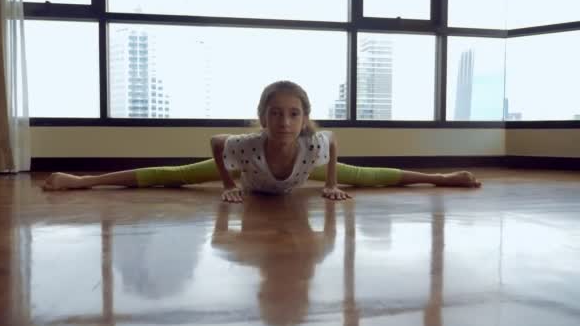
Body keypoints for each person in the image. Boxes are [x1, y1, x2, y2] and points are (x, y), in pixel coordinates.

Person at [42, 80, 481, 202]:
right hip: (249, 173)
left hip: (301, 173)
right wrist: (228, 182)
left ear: (305, 118)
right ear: (262, 117)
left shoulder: (314, 145)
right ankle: (80, 181)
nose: (284, 121)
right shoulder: (245, 146)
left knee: (365, 177)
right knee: (173, 176)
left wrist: (329, 181)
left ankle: (443, 177)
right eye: (275, 113)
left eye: (293, 114)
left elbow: (339, 145)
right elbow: (215, 141)